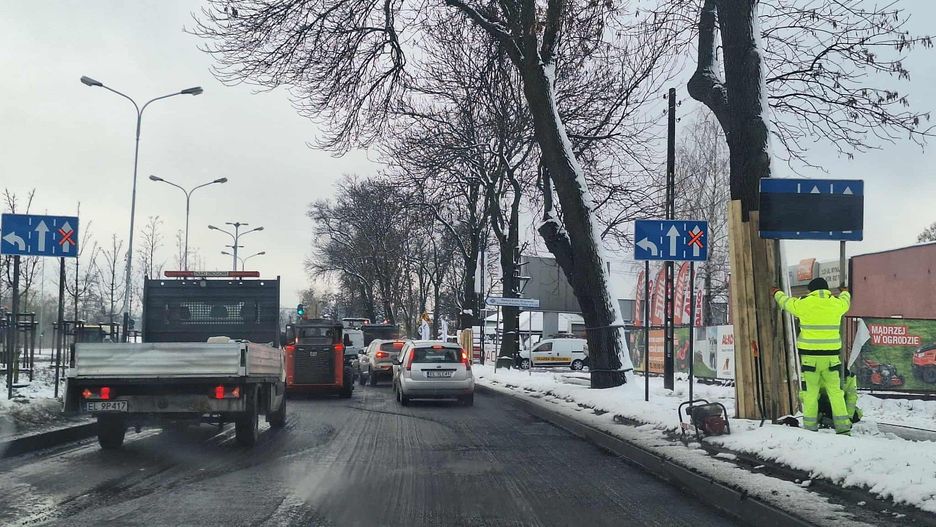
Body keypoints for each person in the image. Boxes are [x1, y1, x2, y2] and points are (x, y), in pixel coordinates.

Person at [772, 277, 852, 435]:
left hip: (810, 359)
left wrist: (776, 293)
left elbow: (786, 302)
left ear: (812, 290)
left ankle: (810, 427)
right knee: (836, 392)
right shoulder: (836, 303)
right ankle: (843, 428)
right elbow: (846, 301)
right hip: (831, 359)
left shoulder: (804, 303)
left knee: (810, 394)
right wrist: (845, 292)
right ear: (826, 289)